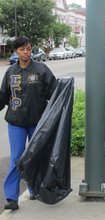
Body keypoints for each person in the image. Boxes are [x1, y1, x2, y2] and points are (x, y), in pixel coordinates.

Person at [0, 36, 57, 210]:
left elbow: (55, 93)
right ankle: (11, 198)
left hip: (37, 123)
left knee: (35, 157)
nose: (26, 52)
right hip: (16, 122)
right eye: (22, 49)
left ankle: (34, 190)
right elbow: (3, 96)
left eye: (29, 49)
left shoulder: (41, 69)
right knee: (17, 158)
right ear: (16, 51)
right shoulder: (10, 72)